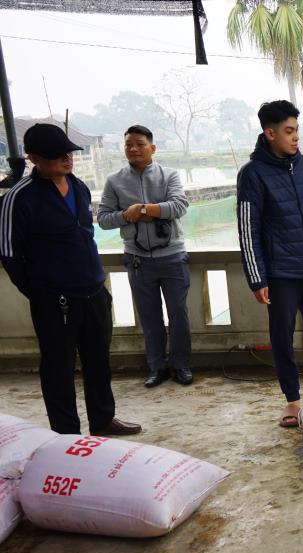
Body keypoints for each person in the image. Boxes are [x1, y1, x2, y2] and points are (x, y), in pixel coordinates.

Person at [0, 123, 141, 436]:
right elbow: (9, 254)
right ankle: (66, 434)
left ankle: (103, 420)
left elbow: (85, 235)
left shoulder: (78, 187)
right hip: (54, 300)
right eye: (56, 155)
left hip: (93, 291)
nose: (67, 159)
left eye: (68, 152)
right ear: (34, 158)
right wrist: (40, 291)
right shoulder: (19, 198)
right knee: (58, 368)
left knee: (98, 362)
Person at [237, 100, 303, 428]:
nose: (295, 137)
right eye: (288, 131)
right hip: (281, 274)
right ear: (269, 133)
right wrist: (257, 279)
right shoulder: (252, 175)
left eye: (296, 130)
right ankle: (293, 401)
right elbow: (248, 230)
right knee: (282, 338)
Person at [98, 125, 193, 388]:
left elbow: (180, 206)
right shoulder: (114, 181)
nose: (134, 149)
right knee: (149, 317)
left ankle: (181, 365)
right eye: (129, 144)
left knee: (178, 314)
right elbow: (103, 219)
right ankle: (156, 367)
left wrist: (143, 209)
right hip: (137, 258)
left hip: (172, 256)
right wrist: (126, 215)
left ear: (152, 148)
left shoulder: (169, 175)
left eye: (140, 144)